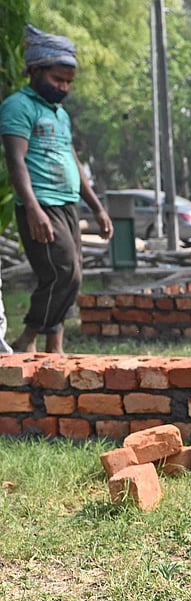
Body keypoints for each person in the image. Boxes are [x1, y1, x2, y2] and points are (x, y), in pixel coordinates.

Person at [1, 26, 111, 355]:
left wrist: (96, 207)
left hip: (66, 204)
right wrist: (32, 208)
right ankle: (28, 338)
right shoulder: (18, 107)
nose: (64, 88)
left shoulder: (59, 113)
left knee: (69, 276)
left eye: (68, 83)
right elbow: (16, 160)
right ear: (35, 71)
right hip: (41, 205)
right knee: (64, 273)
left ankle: (55, 346)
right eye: (57, 80)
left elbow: (73, 162)